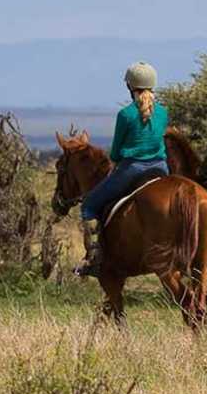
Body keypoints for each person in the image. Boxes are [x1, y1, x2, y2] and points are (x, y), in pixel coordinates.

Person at [73, 61, 170, 277]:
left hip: (133, 168)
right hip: (161, 168)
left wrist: (115, 160)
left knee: (89, 204)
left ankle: (95, 256)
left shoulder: (125, 114)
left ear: (130, 87)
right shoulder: (163, 112)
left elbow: (116, 150)